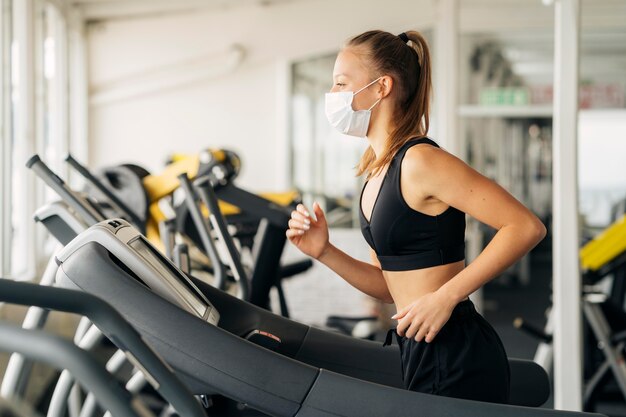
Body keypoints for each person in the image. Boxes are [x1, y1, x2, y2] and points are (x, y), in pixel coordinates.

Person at [285, 29, 546, 404]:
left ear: (381, 87)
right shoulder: (377, 170)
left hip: (456, 351)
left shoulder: (421, 160)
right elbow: (387, 285)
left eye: (342, 83)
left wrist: (445, 297)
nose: (333, 95)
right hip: (418, 348)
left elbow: (524, 226)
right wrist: (324, 251)